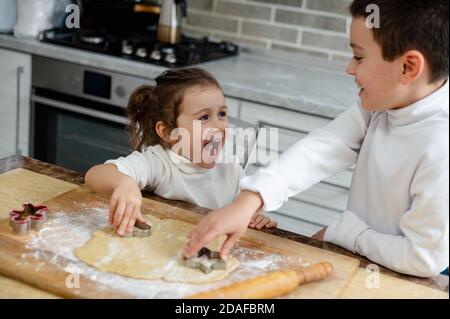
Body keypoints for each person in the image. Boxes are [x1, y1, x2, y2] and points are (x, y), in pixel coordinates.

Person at [183, 0, 449, 277]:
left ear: (408, 67)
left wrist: (343, 233)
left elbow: (422, 258)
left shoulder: (441, 145)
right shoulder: (386, 103)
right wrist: (248, 201)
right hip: (368, 261)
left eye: (359, 57)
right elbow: (322, 149)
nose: (350, 68)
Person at [85, 68, 276, 237]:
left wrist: (256, 219)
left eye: (222, 114)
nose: (218, 125)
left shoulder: (231, 168)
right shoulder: (160, 163)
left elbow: (241, 211)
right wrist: (124, 183)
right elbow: (94, 174)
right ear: (168, 132)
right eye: (204, 117)